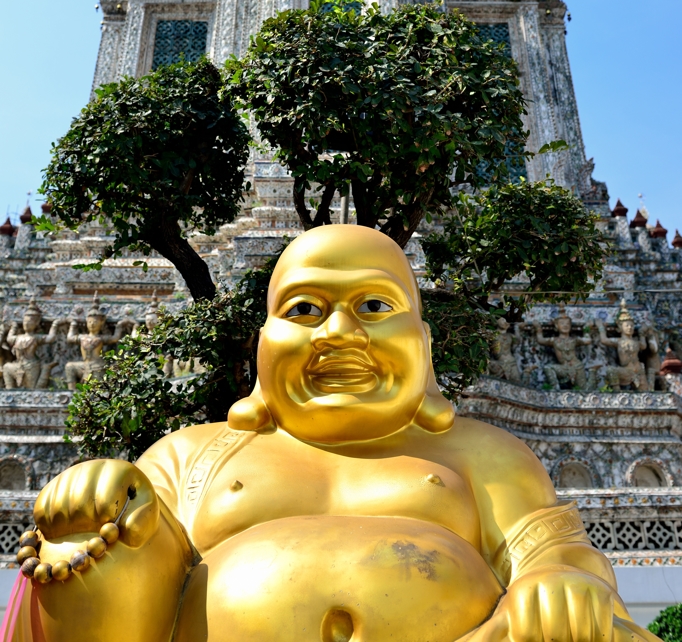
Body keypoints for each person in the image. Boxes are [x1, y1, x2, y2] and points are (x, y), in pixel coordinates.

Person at [8, 226, 657, 642]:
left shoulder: (484, 456)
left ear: (423, 347)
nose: (339, 333)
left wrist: (557, 587)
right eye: (305, 310)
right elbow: (134, 598)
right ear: (261, 348)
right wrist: (107, 524)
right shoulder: (191, 457)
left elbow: (553, 552)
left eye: (374, 307)